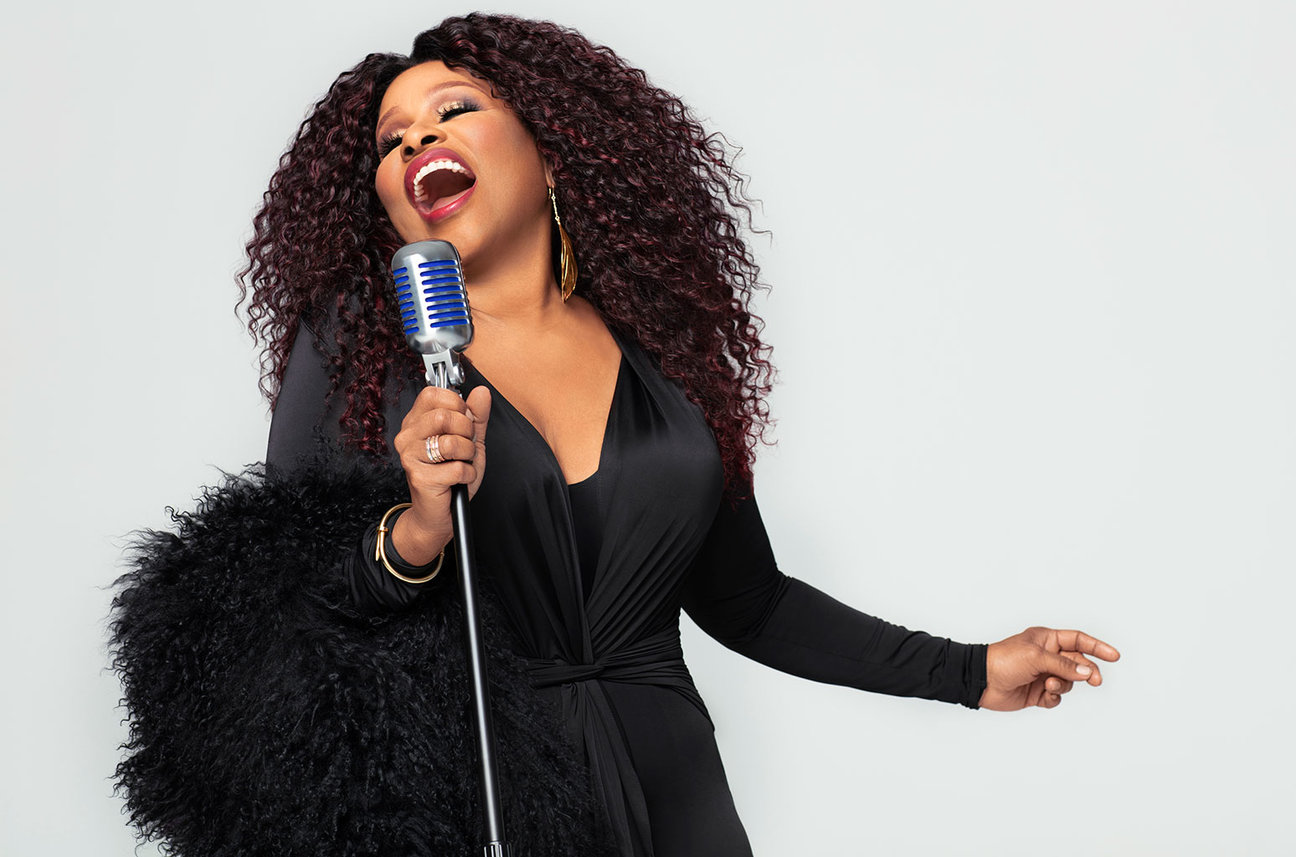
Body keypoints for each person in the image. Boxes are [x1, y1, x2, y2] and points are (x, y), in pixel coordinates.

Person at [242, 13, 1119, 857]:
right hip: (479, 804)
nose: (416, 141)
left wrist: (971, 671)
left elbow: (751, 602)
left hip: (682, 805)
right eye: (390, 140)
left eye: (455, 109)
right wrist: (414, 535)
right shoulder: (356, 351)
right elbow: (273, 610)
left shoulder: (665, 349)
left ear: (550, 148)